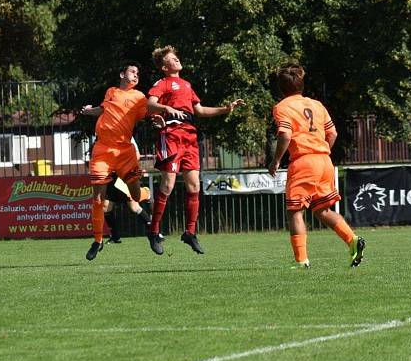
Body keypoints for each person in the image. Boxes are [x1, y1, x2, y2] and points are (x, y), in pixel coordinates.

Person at [146, 45, 245, 255]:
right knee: (168, 185)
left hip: (190, 138)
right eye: (173, 59)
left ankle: (189, 232)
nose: (177, 60)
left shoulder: (187, 85)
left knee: (193, 186)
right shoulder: (162, 83)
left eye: (176, 57)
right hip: (171, 135)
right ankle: (153, 231)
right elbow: (150, 104)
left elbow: (199, 110)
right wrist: (166, 109)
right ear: (164, 67)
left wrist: (225, 109)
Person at [267, 63, 365, 268]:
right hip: (324, 160)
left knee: (294, 211)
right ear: (301, 85)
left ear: (281, 88)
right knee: (322, 209)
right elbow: (333, 133)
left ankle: (302, 261)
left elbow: (285, 134)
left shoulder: (282, 107)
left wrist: (276, 160)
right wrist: (322, 151)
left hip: (303, 161)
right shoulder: (316, 105)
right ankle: (352, 240)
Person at [80, 61, 150, 260]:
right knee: (98, 200)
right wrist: (89, 111)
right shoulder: (111, 92)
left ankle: (145, 193)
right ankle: (97, 241)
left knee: (136, 197)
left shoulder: (139, 97)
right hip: (102, 150)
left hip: (125, 152)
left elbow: (148, 113)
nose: (136, 75)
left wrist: (159, 116)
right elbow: (103, 110)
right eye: (132, 72)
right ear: (122, 74)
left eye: (138, 73)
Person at [103, 173, 152, 243]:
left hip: (121, 175)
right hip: (110, 178)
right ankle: (115, 237)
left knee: (134, 207)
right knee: (105, 207)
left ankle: (145, 192)